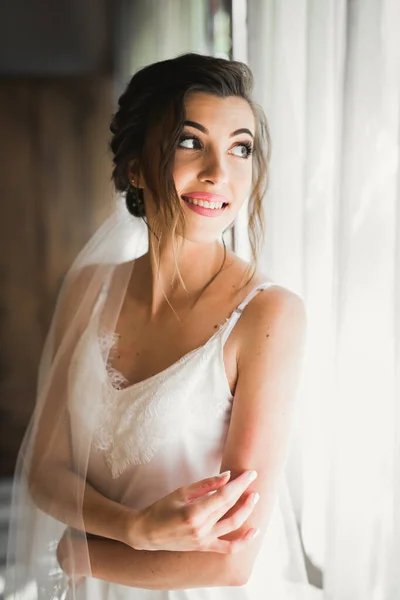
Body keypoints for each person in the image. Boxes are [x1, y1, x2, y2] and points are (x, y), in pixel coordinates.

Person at [5, 53, 322, 599]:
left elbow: (231, 562)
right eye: (190, 141)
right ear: (135, 166)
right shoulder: (89, 288)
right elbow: (45, 468)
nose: (219, 173)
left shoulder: (269, 316)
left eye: (240, 147)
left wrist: (79, 550)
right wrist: (135, 529)